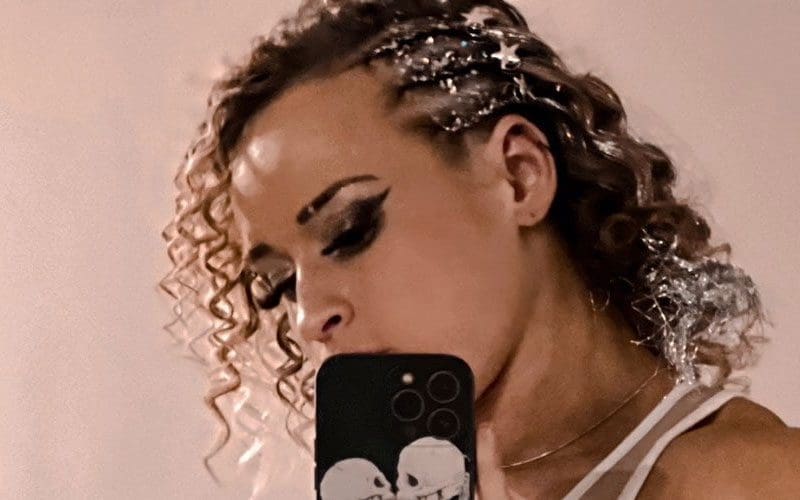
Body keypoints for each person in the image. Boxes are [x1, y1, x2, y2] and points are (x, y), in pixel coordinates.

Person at [159, 0, 800, 497]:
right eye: (278, 285)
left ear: (519, 176)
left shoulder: (755, 481)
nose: (307, 316)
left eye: (350, 232)